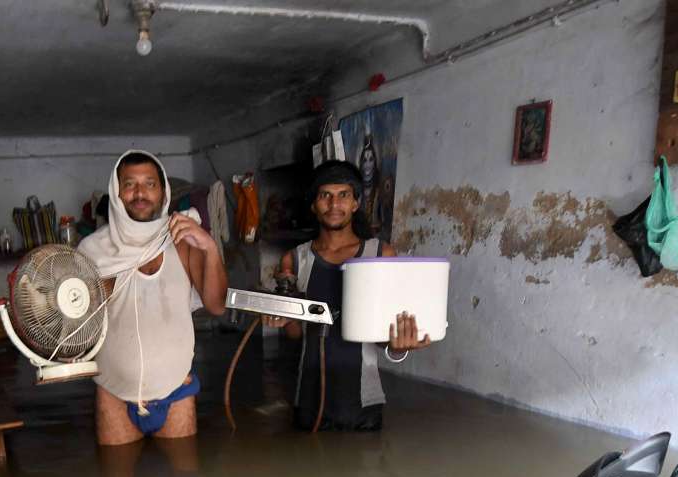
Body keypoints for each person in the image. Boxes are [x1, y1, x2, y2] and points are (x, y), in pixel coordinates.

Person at [264, 160, 429, 431]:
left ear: (355, 203)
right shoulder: (294, 259)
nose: (334, 204)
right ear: (313, 205)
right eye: (325, 195)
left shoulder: (381, 255)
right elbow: (295, 335)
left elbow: (386, 333)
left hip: (362, 402)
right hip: (308, 400)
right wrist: (281, 319)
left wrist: (398, 347)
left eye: (343, 195)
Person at [78, 150, 227, 445]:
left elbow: (217, 305)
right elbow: (78, 328)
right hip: (113, 392)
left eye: (149, 184)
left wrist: (209, 246)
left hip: (176, 390)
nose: (139, 193)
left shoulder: (183, 240)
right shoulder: (93, 251)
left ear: (163, 192)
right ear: (116, 192)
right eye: (129, 184)